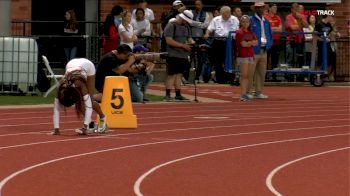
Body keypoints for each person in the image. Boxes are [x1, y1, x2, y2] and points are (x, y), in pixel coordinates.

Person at [53, 58, 107, 135]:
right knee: (81, 104)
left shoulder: (79, 83)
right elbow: (56, 109)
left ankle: (102, 117)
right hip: (71, 64)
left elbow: (88, 106)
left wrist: (84, 128)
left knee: (89, 101)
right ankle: (91, 125)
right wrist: (56, 129)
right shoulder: (61, 87)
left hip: (88, 66)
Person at [163, 9, 194, 101]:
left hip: (183, 55)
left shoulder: (186, 27)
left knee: (179, 74)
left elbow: (189, 38)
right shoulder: (171, 25)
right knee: (172, 74)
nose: (186, 22)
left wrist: (193, 43)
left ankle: (178, 93)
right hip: (173, 54)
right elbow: (168, 41)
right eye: (185, 20)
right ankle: (167, 94)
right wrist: (182, 46)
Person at [204, 6, 239, 84]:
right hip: (218, 41)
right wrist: (207, 34)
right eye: (225, 13)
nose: (227, 15)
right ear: (221, 13)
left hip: (230, 42)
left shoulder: (234, 19)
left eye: (228, 13)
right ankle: (220, 79)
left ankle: (230, 78)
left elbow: (237, 30)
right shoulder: (216, 19)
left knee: (229, 60)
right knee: (217, 61)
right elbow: (209, 29)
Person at [247, 0, 273, 99]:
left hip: (264, 50)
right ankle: (248, 91)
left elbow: (270, 35)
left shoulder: (266, 21)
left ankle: (258, 92)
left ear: (264, 8)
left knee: (261, 73)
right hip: (253, 50)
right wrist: (251, 45)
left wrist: (268, 45)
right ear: (255, 9)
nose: (260, 9)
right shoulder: (250, 20)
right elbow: (246, 33)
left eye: (262, 7)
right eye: (258, 7)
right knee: (250, 72)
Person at [235, 15, 258, 101]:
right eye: (243, 22)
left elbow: (256, 42)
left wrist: (248, 43)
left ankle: (246, 93)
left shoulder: (251, 32)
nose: (245, 23)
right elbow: (242, 44)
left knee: (249, 75)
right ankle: (243, 94)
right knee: (244, 75)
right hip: (243, 55)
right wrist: (250, 43)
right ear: (241, 22)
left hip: (250, 55)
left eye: (247, 22)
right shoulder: (239, 32)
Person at [190, 0, 210, 83]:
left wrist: (195, 23)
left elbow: (206, 25)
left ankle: (198, 77)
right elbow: (190, 22)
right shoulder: (191, 12)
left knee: (200, 59)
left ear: (202, 5)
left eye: (198, 4)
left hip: (201, 38)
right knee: (190, 58)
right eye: (196, 4)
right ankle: (186, 77)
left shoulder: (206, 14)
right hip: (191, 38)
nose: (197, 6)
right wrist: (199, 24)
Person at [285, 3, 308, 67]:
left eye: (297, 9)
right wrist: (301, 25)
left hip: (300, 41)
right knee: (290, 59)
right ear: (291, 9)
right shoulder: (288, 17)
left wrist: (300, 19)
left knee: (300, 59)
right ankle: (289, 75)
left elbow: (306, 26)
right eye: (295, 9)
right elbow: (292, 28)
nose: (296, 10)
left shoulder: (302, 16)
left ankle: (299, 76)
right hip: (291, 41)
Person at [264, 3, 282, 80]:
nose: (276, 9)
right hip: (267, 42)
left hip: (276, 41)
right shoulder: (265, 17)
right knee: (266, 59)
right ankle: (264, 76)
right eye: (274, 8)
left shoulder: (278, 17)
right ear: (270, 8)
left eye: (276, 7)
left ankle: (274, 76)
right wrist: (274, 28)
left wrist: (271, 28)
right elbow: (265, 29)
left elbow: (280, 29)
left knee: (275, 60)